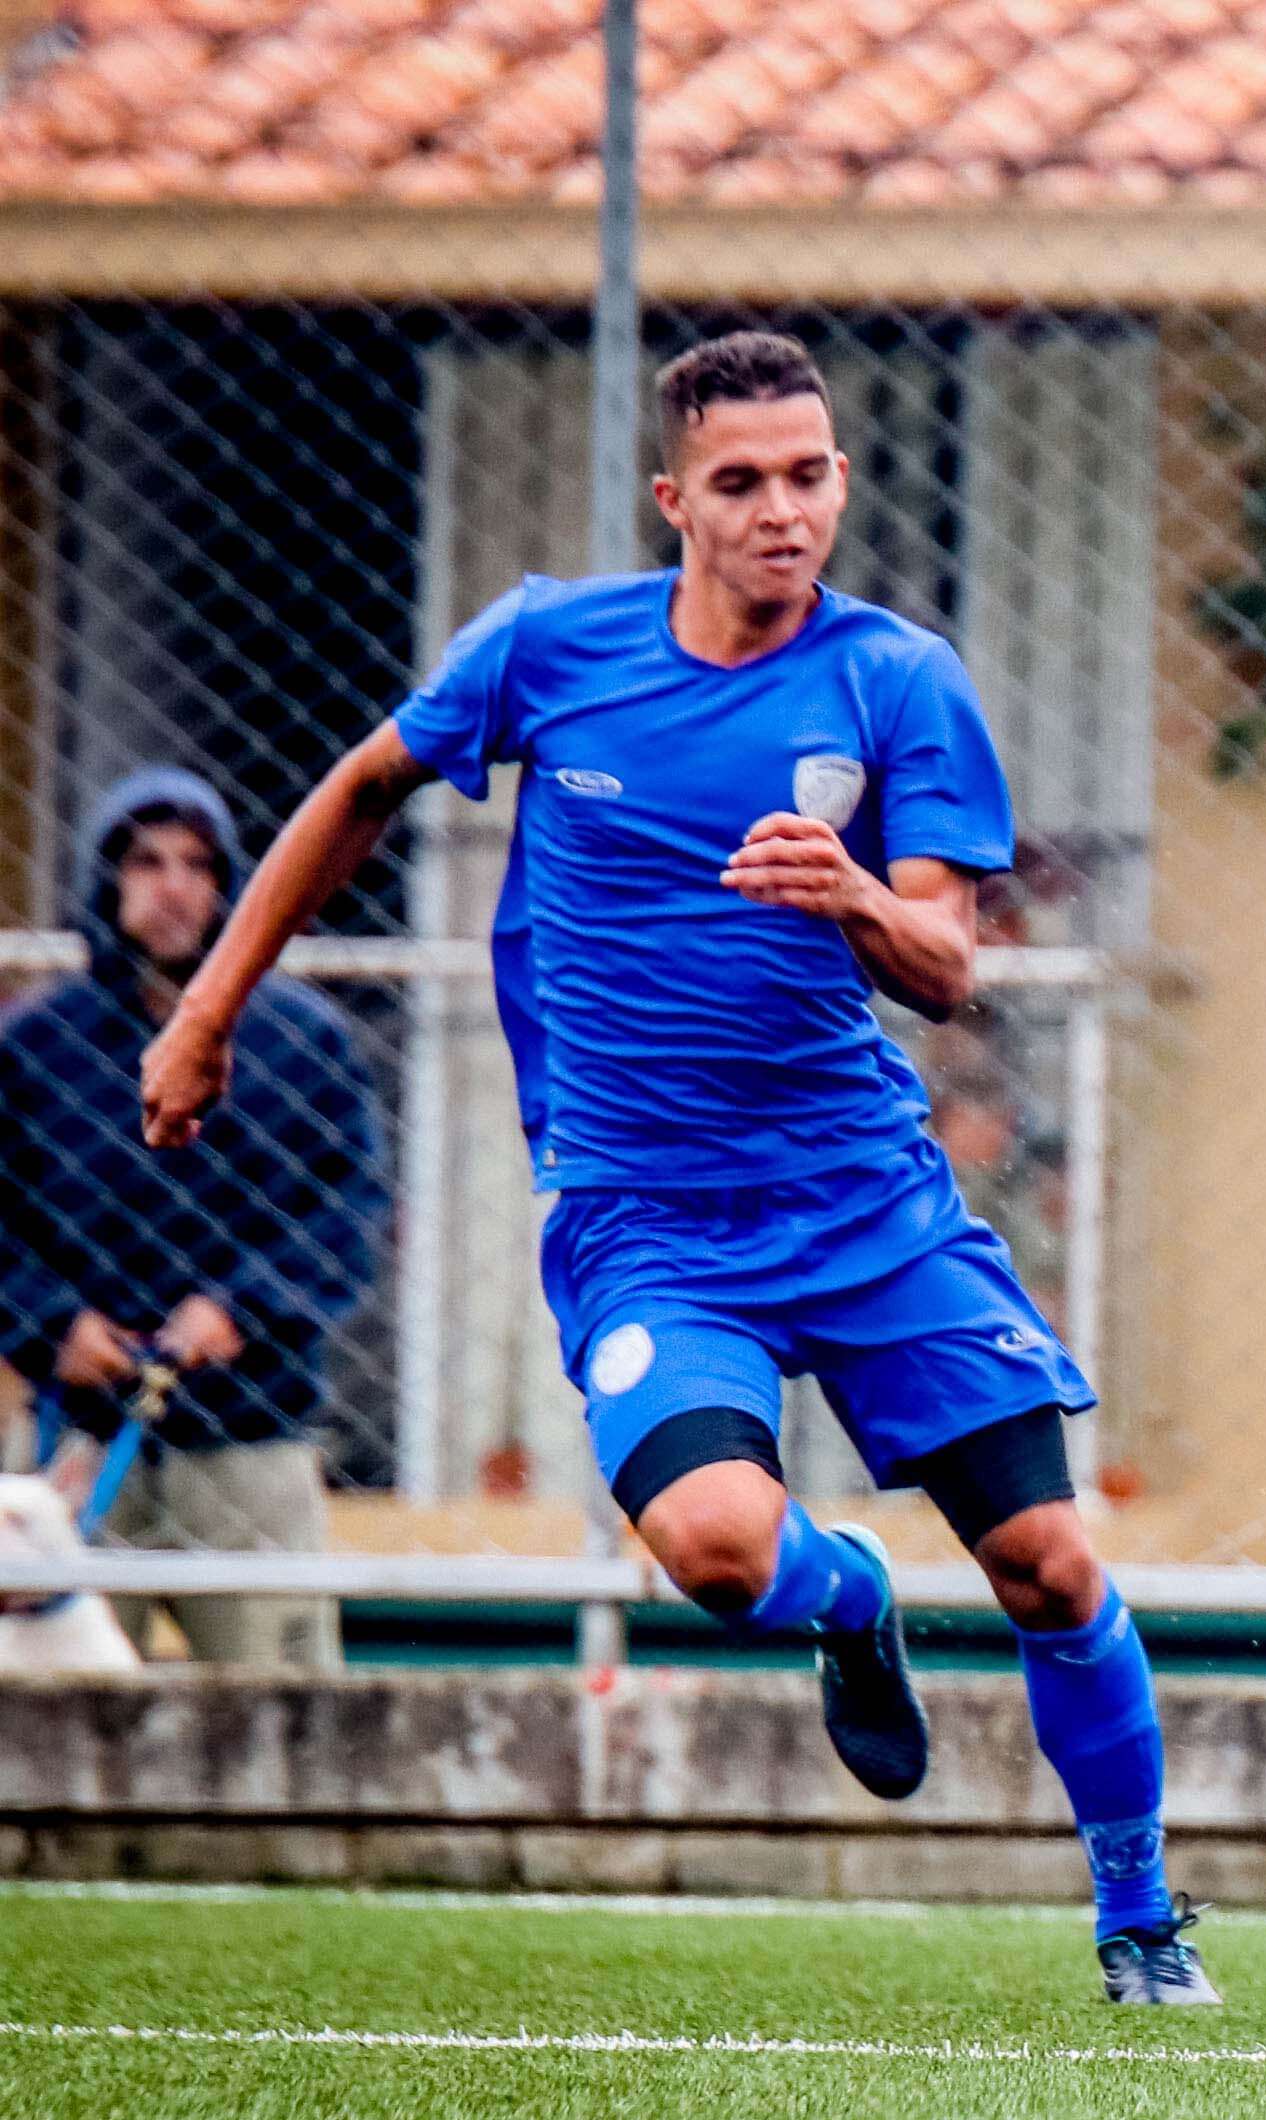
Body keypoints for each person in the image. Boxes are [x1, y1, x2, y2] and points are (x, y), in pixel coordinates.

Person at [138, 331, 1211, 2009]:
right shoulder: (551, 650)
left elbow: (948, 963)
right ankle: (847, 1597)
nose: (783, 510)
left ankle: (1141, 1917)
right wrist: (207, 1012)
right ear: (675, 501)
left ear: (841, 480)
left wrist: (852, 898)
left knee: (1049, 1568)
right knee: (715, 1546)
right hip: (646, 1220)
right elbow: (359, 790)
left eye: (810, 474)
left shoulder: (894, 679)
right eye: (741, 482)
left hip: (866, 1201)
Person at [0, 766, 381, 1667]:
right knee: (49, 1723)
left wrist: (240, 1310)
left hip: (253, 1432)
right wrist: (51, 1323)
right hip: (80, 1435)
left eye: (197, 865)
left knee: (285, 1716)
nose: (172, 886)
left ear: (228, 885)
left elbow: (347, 1214)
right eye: (145, 861)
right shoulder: (36, 1046)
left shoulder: (301, 1038)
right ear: (106, 880)